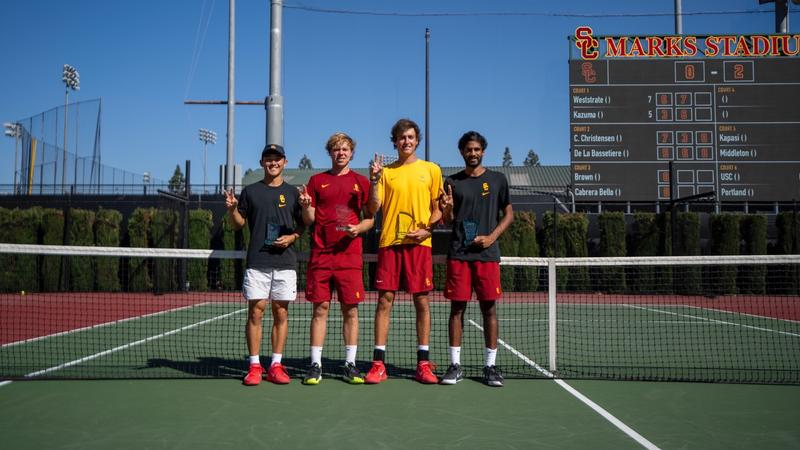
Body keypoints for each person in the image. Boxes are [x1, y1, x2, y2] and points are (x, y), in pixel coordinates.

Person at [365, 118, 443, 384]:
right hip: (390, 243)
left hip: (420, 245)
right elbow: (374, 208)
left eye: (410, 137)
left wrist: (427, 230)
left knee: (421, 301)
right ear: (395, 142)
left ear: (417, 140)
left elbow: (438, 208)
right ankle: (378, 364)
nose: (406, 141)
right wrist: (374, 181)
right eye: (401, 138)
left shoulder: (432, 170)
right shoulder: (386, 173)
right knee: (384, 300)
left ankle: (423, 364)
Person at [297, 132, 374, 385]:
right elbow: (309, 220)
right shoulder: (316, 181)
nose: (341, 153)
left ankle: (350, 365)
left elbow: (371, 217)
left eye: (345, 149)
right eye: (336, 149)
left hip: (349, 258)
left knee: (350, 310)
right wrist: (306, 205)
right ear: (330, 153)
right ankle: (315, 365)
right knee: (320, 309)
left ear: (351, 153)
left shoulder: (361, 182)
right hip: (321, 255)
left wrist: (358, 229)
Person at [438, 131, 513, 387]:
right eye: (468, 149)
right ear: (461, 152)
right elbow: (448, 221)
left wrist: (492, 237)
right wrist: (447, 208)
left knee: (489, 309)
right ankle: (454, 365)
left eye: (477, 149)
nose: (473, 153)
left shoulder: (498, 180)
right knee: (457, 309)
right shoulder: (452, 181)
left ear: (483, 151)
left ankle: (490, 367)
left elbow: (509, 215)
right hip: (459, 254)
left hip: (487, 256)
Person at [225, 143, 304, 386]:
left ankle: (276, 365)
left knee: (281, 312)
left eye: (277, 158)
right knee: (256, 311)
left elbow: (303, 224)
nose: (273, 162)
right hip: (258, 261)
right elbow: (238, 223)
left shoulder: (293, 193)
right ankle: (255, 365)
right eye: (268, 158)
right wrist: (231, 209)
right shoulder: (250, 192)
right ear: (262, 163)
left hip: (285, 263)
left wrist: (292, 237)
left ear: (285, 162)